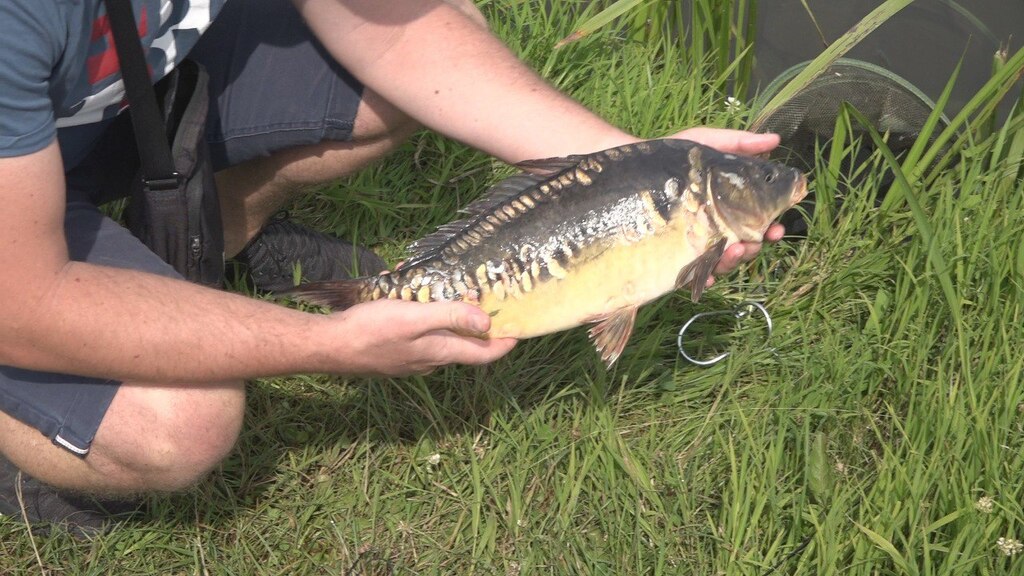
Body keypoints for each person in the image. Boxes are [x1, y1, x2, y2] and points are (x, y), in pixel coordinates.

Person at [0, 0, 785, 536]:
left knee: (440, 33)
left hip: (105, 95)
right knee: (181, 422)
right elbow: (29, 302)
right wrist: (330, 347)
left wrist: (635, 170)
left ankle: (214, 235)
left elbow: (400, 30)